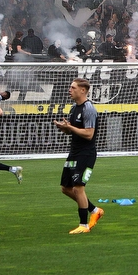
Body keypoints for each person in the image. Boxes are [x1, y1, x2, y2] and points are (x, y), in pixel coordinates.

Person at [53, 78, 104, 234]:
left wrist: (70, 128)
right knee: (65, 188)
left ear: (83, 90)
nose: (70, 90)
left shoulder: (89, 109)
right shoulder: (74, 108)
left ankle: (84, 225)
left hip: (85, 153)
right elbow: (72, 130)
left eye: (73, 87)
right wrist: (65, 128)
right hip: (74, 152)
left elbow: (89, 134)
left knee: (78, 188)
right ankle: (95, 210)